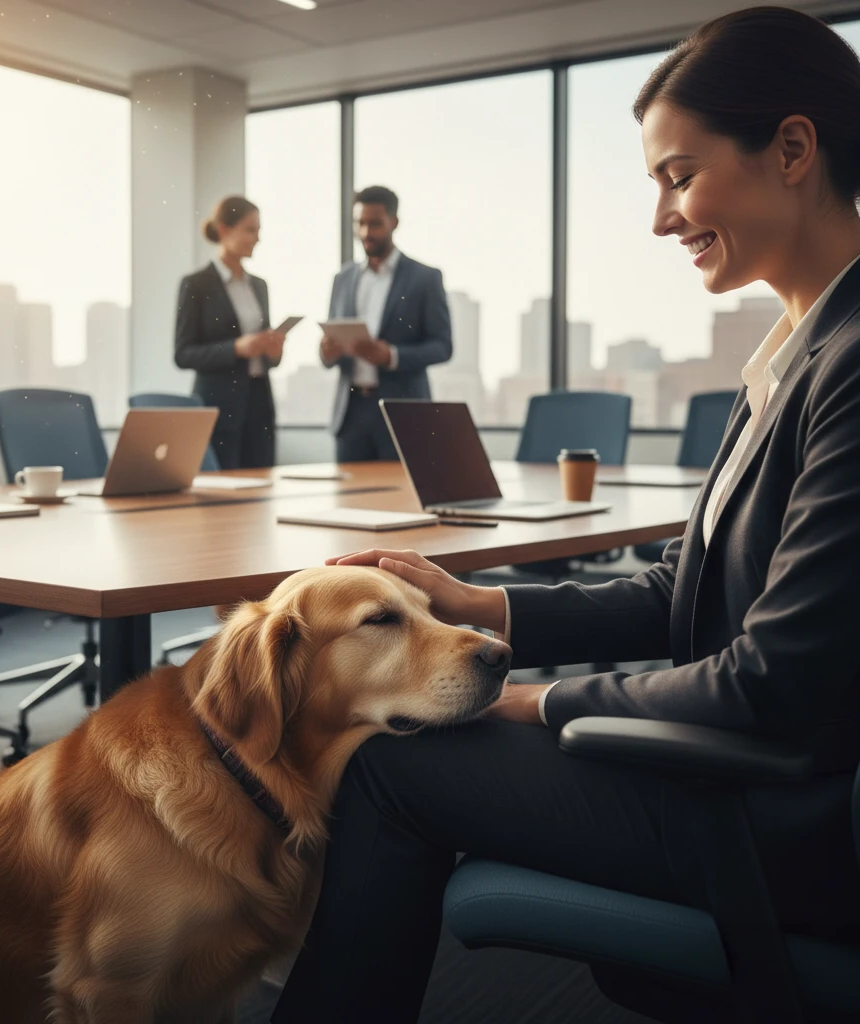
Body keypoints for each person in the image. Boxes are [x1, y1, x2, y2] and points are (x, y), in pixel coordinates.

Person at [272, 8, 860, 1021]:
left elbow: (771, 683)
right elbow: (683, 588)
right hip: (749, 777)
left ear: (793, 150)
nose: (661, 218)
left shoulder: (848, 365)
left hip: (774, 813)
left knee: (388, 762)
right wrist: (484, 607)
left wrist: (533, 701)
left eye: (679, 176)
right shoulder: (798, 351)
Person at [320, 186, 452, 462]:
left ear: (394, 222)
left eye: (375, 224)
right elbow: (330, 346)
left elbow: (443, 347)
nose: (366, 232)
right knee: (347, 490)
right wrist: (327, 353)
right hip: (351, 415)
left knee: (400, 489)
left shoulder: (425, 279)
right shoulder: (343, 279)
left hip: (402, 416)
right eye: (360, 223)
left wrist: (391, 356)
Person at [175, 196, 286, 469]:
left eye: (258, 230)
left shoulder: (259, 286)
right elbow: (183, 353)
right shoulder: (196, 285)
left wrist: (273, 351)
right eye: (250, 230)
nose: (257, 238)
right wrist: (236, 348)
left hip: (259, 402)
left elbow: (266, 357)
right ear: (224, 230)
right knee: (221, 485)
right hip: (219, 405)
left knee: (262, 482)